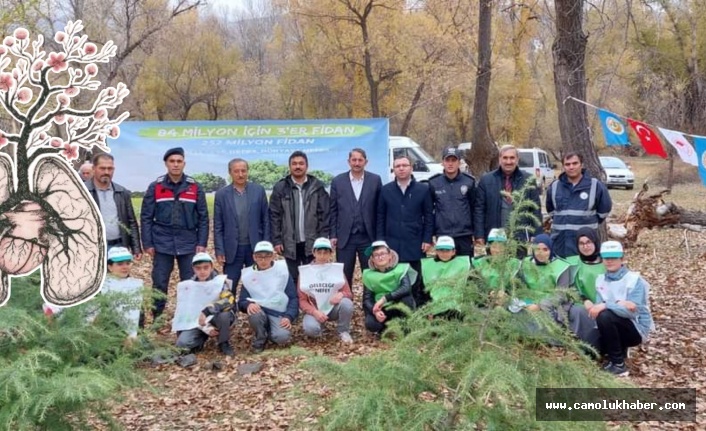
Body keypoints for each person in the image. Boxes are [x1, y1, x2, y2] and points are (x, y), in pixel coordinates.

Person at [141, 147, 209, 320]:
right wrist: (148, 243)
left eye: (179, 161)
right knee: (159, 282)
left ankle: (189, 316)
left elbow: (203, 218)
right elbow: (146, 217)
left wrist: (202, 242)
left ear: (184, 163)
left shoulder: (194, 187)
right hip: (162, 241)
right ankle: (157, 318)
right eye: (172, 161)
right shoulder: (156, 187)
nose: (176, 165)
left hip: (188, 241)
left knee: (189, 282)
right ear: (166, 164)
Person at [588, 241, 654, 376]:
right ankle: (619, 351)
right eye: (606, 258)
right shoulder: (600, 280)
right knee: (588, 348)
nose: (609, 261)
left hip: (636, 329)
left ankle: (619, 365)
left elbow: (632, 312)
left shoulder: (634, 280)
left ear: (621, 259)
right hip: (612, 323)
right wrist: (619, 303)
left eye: (614, 257)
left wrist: (607, 304)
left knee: (605, 315)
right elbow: (597, 309)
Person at [377, 155, 433, 305]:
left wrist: (427, 238)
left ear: (411, 168)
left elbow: (429, 216)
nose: (401, 168)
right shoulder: (385, 190)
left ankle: (416, 314)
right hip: (392, 245)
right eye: (398, 166)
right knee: (395, 282)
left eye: (404, 165)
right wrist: (381, 242)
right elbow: (380, 217)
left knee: (415, 281)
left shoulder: (423, 189)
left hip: (415, 243)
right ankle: (395, 314)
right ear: (393, 169)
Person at [270, 151, 330, 285]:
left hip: (312, 241)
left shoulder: (317, 186)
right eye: (294, 164)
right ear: (289, 166)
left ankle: (311, 305)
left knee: (313, 278)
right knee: (293, 278)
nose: (298, 166)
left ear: (307, 166)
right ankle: (295, 305)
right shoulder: (280, 187)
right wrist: (277, 240)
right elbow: (275, 216)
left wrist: (322, 238)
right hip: (289, 242)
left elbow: (324, 214)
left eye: (301, 163)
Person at [473, 145, 542, 255]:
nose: (508, 161)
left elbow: (535, 209)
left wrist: (536, 235)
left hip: (519, 237)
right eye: (505, 158)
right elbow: (479, 210)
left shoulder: (528, 180)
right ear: (499, 159)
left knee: (518, 269)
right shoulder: (486, 180)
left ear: (517, 159)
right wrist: (479, 235)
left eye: (512, 158)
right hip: (494, 236)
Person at [214, 158, 270, 291]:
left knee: (256, 284)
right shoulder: (222, 195)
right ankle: (228, 310)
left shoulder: (258, 191)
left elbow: (266, 220)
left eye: (243, 171)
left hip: (255, 247)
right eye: (236, 171)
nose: (240, 174)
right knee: (229, 285)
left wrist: (266, 246)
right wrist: (219, 249)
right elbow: (218, 225)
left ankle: (256, 310)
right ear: (230, 173)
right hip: (232, 249)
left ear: (247, 172)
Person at [329, 148, 382, 289]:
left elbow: (379, 210)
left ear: (366, 162)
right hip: (345, 238)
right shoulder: (337, 181)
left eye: (360, 160)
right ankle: (346, 307)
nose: (357, 163)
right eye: (354, 160)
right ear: (348, 162)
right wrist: (333, 234)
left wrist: (379, 236)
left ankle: (370, 308)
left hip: (368, 237)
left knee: (371, 274)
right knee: (344, 276)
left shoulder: (375, 180)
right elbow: (333, 210)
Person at [546, 152, 612, 258]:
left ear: (581, 164)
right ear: (563, 166)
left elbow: (604, 211)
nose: (571, 167)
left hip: (585, 246)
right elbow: (551, 211)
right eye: (567, 164)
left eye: (575, 163)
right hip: (560, 245)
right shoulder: (554, 187)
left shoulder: (595, 186)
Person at [238, 241, 299, 353]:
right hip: (260, 311)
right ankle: (260, 339)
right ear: (254, 257)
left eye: (267, 256)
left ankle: (270, 332)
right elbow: (241, 301)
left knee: (282, 337)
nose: (263, 260)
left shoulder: (282, 271)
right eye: (259, 256)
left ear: (273, 256)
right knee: (254, 314)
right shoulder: (249, 275)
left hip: (279, 312)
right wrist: (248, 305)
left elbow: (293, 297)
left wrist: (289, 316)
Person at [172, 253, 236, 357]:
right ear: (193, 269)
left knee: (225, 315)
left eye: (206, 267)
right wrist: (206, 328)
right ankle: (200, 339)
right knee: (181, 344)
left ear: (211, 267)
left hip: (216, 317)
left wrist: (208, 310)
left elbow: (229, 300)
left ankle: (223, 342)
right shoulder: (189, 286)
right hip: (197, 321)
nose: (202, 271)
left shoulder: (220, 282)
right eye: (198, 268)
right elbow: (184, 311)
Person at [298, 238, 354, 343]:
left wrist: (341, 294)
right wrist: (314, 312)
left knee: (347, 303)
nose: (322, 256)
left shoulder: (336, 270)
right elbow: (302, 300)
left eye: (326, 252)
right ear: (313, 253)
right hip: (314, 309)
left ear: (330, 254)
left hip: (333, 308)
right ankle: (319, 325)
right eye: (319, 252)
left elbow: (349, 293)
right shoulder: (306, 272)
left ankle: (343, 331)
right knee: (311, 331)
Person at [85, 153, 142, 257]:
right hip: (91, 249)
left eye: (110, 169)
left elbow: (131, 222)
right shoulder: (82, 192)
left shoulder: (122, 192)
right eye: (102, 168)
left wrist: (136, 248)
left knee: (118, 274)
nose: (106, 172)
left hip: (119, 246)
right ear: (93, 169)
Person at [428, 147, 476, 256]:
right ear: (442, 162)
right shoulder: (434, 183)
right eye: (447, 160)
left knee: (465, 269)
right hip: (443, 235)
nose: (450, 164)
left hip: (464, 235)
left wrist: (477, 233)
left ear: (459, 162)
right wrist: (430, 235)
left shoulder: (469, 182)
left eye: (453, 160)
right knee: (445, 270)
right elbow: (429, 211)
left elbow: (475, 208)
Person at [362, 240, 416, 334]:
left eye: (383, 253)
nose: (380, 257)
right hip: (381, 308)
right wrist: (374, 311)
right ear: (372, 259)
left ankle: (405, 327)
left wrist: (385, 298)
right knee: (371, 324)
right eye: (376, 255)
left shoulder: (401, 269)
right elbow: (367, 299)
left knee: (407, 299)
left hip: (397, 303)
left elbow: (406, 288)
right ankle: (384, 327)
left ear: (390, 255)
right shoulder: (368, 275)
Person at [420, 236, 470, 316]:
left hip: (455, 307)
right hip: (433, 307)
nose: (444, 253)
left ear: (453, 251)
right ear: (436, 251)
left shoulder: (463, 264)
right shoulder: (427, 266)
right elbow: (423, 291)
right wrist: (427, 309)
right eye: (441, 250)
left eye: (447, 250)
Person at [471, 228, 521, 295]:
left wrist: (506, 294)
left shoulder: (514, 264)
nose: (497, 250)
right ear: (489, 247)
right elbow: (476, 284)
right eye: (494, 247)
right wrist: (490, 292)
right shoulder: (478, 263)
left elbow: (517, 286)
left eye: (501, 247)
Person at [565, 227, 605, 307]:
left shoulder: (607, 263)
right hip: (582, 306)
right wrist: (584, 300)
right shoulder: (573, 264)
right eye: (581, 243)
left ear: (595, 242)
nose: (585, 246)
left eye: (588, 242)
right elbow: (570, 289)